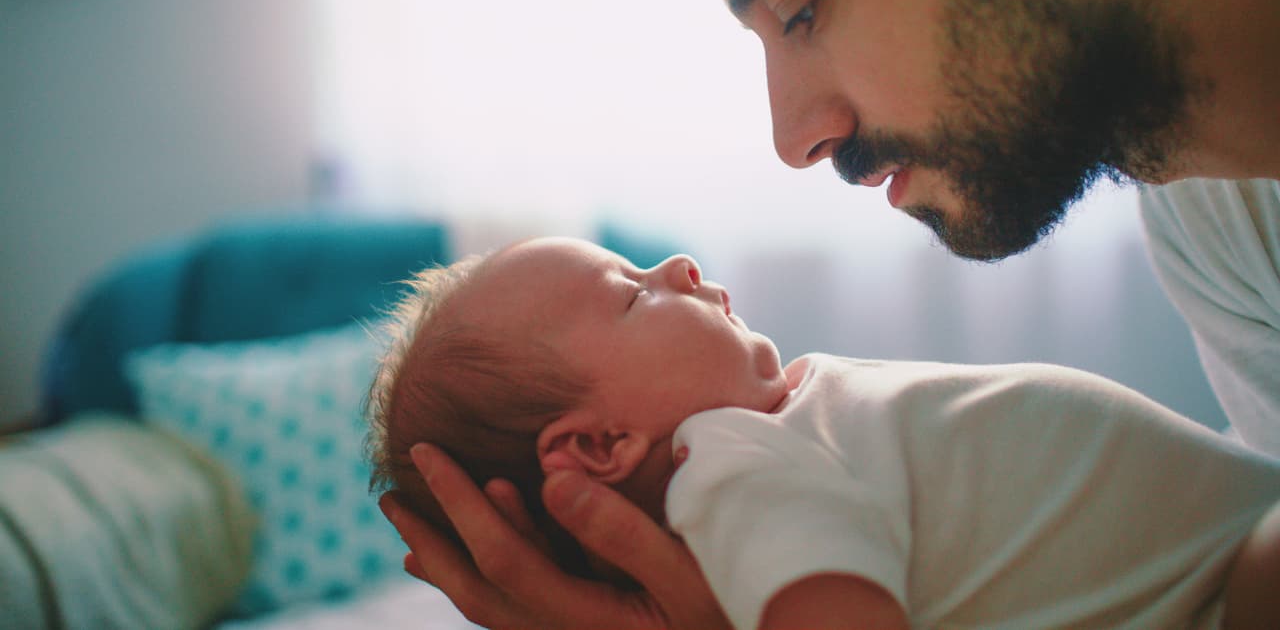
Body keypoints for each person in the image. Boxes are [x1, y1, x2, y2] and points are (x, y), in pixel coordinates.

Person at [381, 0, 1280, 625]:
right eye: (629, 294)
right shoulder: (1212, 213)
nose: (794, 137)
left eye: (802, 9)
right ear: (599, 446)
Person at [370, 236, 1280, 629]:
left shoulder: (781, 433)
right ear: (601, 447)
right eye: (632, 290)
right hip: (1232, 585)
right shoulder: (728, 468)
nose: (679, 263)